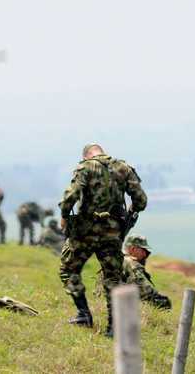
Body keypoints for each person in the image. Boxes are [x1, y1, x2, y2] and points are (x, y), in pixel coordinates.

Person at [59, 143, 147, 337]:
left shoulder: (85, 167)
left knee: (68, 269)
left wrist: (65, 215)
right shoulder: (124, 168)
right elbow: (141, 201)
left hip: (85, 232)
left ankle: (83, 314)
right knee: (112, 278)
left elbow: (70, 196)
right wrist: (127, 215)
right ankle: (113, 328)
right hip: (113, 234)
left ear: (86, 156)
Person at [123, 235, 172, 310]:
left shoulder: (116, 261)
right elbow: (147, 292)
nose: (145, 255)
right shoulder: (132, 264)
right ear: (132, 249)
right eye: (143, 250)